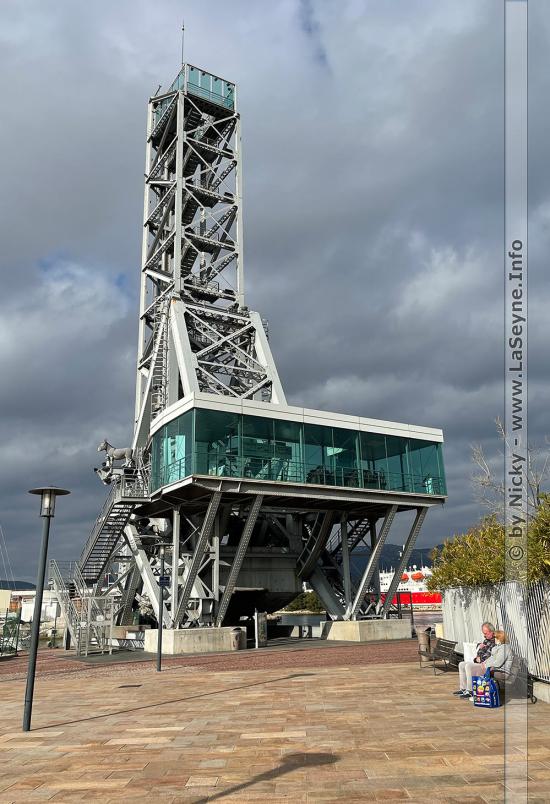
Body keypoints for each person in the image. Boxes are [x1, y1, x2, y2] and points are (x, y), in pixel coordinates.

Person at [453, 621, 496, 698]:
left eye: (486, 633)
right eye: (483, 634)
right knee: (461, 664)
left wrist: (479, 658)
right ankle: (463, 688)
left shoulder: (495, 642)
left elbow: (488, 657)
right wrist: (477, 657)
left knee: (468, 666)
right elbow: (480, 652)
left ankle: (470, 691)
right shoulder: (486, 640)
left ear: (491, 632)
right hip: (480, 662)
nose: (484, 636)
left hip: (487, 666)